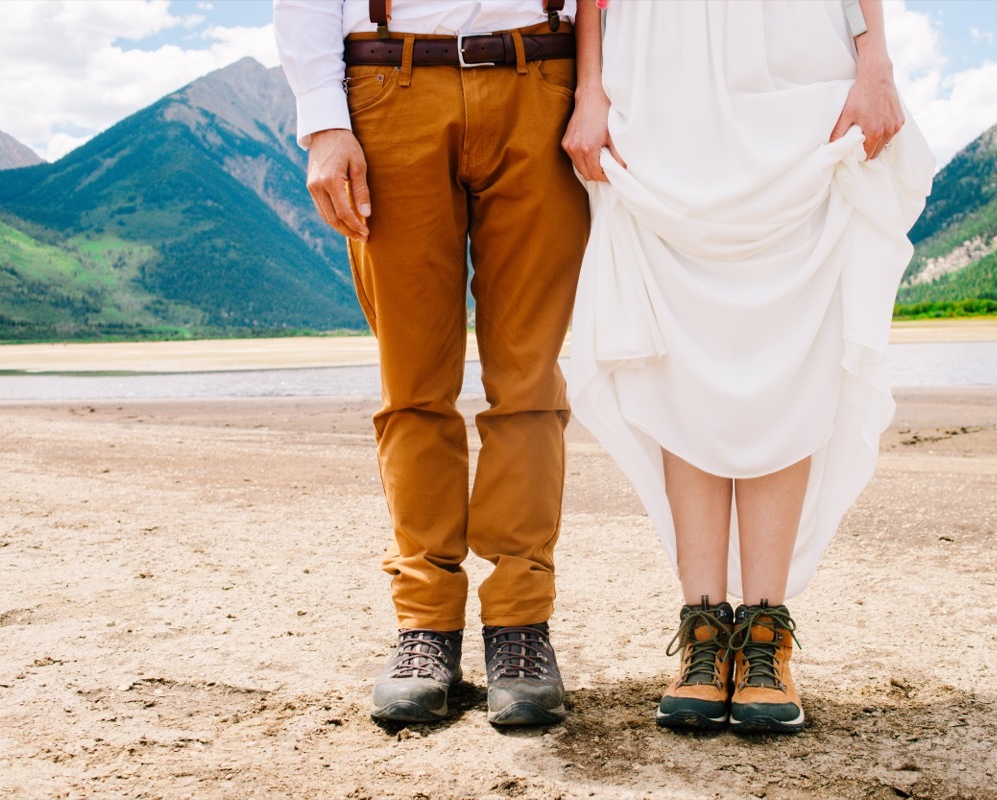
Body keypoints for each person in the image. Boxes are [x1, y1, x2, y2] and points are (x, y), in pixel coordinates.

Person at [563, 0, 935, 732]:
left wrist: (876, 59)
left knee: (787, 339)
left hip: (793, 62)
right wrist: (590, 86)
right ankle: (703, 630)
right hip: (662, 74)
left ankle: (766, 631)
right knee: (681, 352)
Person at [273, 0, 589, 727]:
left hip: (542, 77)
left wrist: (601, 91)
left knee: (530, 382)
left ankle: (520, 624)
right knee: (413, 388)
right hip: (390, 86)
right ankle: (426, 626)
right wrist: (324, 121)